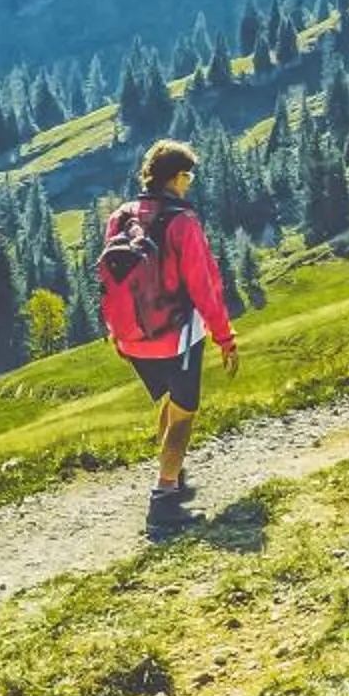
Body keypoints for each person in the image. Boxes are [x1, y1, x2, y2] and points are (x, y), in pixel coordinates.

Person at [98, 138, 238, 517]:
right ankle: (164, 498)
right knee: (184, 413)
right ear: (176, 177)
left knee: (167, 402)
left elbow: (113, 281)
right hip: (177, 337)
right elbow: (204, 286)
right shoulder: (182, 222)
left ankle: (173, 473)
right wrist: (225, 337)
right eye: (188, 176)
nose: (189, 183)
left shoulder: (121, 217)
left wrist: (117, 331)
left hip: (131, 339)